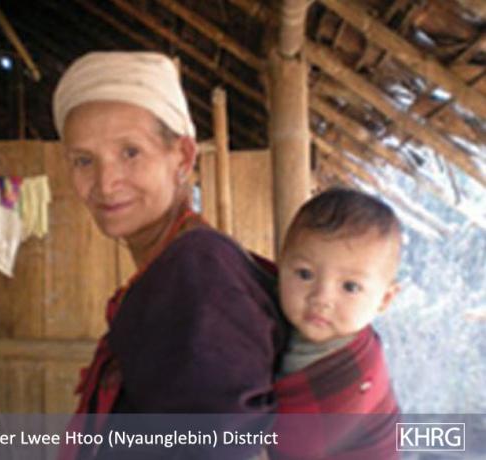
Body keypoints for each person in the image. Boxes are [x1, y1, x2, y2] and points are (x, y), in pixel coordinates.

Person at [52, 51, 285, 458]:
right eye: (84, 160)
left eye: (130, 152)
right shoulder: (172, 267)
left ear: (183, 156)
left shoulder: (198, 271)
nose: (105, 183)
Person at [270, 188, 401, 459]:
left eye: (350, 287)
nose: (321, 298)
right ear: (280, 266)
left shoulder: (354, 376)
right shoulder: (264, 304)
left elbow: (282, 445)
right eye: (304, 274)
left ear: (384, 299)